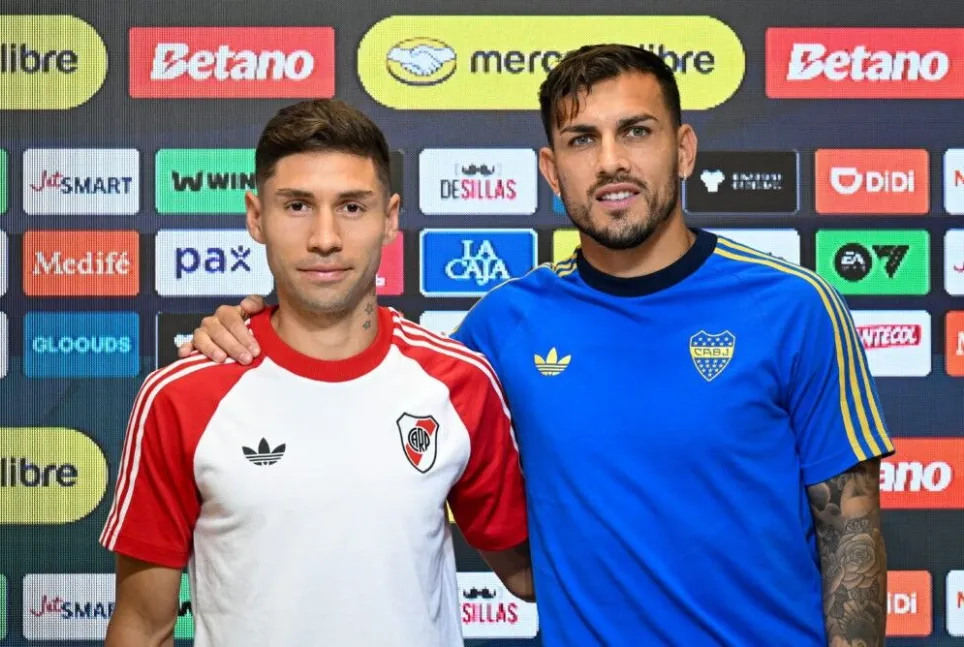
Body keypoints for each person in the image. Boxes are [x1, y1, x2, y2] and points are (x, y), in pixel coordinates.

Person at [181, 45, 893, 647]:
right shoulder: (503, 325)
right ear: (552, 171)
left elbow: (851, 534)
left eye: (635, 132)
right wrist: (252, 324)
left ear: (683, 150)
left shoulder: (793, 306)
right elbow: (363, 364)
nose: (610, 162)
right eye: (582, 140)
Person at [100, 99, 532, 647]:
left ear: (390, 219)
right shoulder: (182, 395)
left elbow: (529, 575)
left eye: (351, 207)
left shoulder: (458, 381)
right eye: (297, 205)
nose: (325, 238)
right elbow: (143, 626)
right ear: (256, 217)